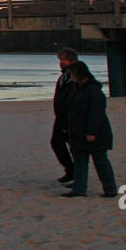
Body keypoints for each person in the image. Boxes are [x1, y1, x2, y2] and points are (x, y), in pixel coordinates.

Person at [62, 61, 118, 198]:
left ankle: (110, 189)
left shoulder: (93, 90)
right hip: (78, 132)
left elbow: (96, 112)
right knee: (80, 162)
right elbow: (72, 110)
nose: (72, 77)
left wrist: (92, 132)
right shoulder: (78, 88)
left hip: (94, 134)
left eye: (73, 74)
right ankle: (79, 189)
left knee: (100, 162)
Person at [49, 47, 78, 183]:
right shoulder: (63, 76)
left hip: (70, 116)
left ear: (72, 61)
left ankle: (75, 173)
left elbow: (73, 98)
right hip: (61, 116)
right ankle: (71, 170)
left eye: (64, 60)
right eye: (61, 60)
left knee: (73, 146)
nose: (61, 62)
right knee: (56, 142)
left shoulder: (75, 76)